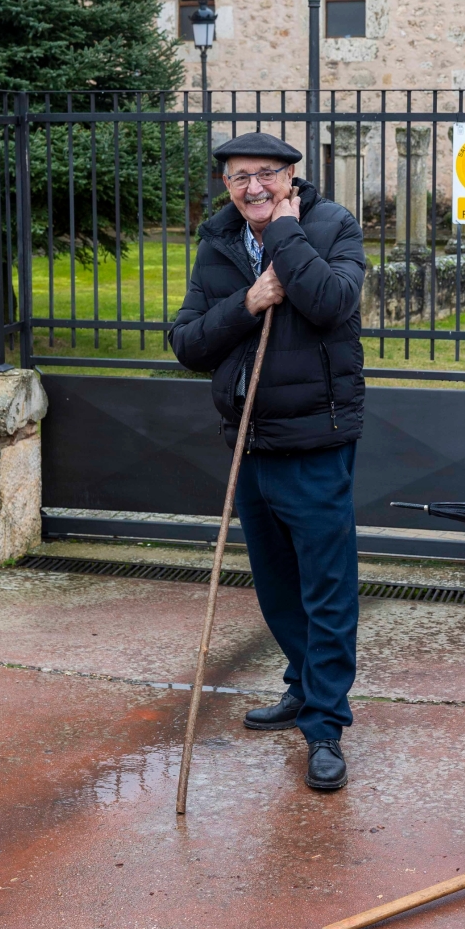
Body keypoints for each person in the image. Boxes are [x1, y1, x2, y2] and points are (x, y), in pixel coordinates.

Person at [169, 132, 366, 791]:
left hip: (316, 440)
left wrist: (285, 237)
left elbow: (333, 303)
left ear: (290, 176)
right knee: (279, 589)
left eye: (264, 175)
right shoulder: (218, 241)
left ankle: (324, 727)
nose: (251, 187)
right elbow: (189, 343)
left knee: (326, 588)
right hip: (249, 444)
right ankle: (303, 686)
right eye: (236, 178)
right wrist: (248, 301)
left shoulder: (331, 225)